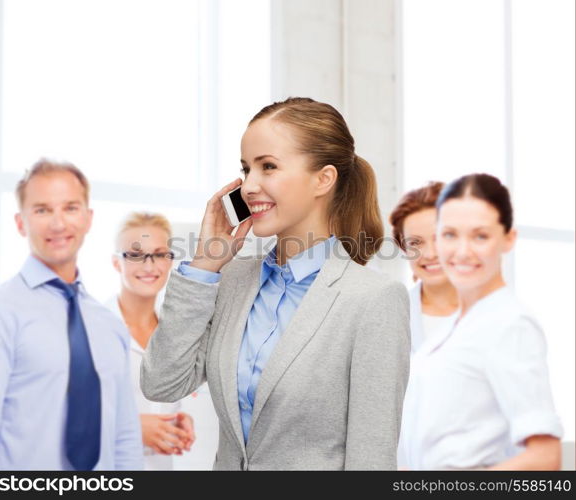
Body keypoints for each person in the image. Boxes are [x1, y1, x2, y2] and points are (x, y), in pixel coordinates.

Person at [141, 97, 411, 470]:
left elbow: (372, 459)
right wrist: (205, 264)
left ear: (323, 179)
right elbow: (161, 384)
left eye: (268, 166)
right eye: (246, 169)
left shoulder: (373, 299)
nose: (249, 186)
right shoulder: (232, 280)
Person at [0, 159, 143, 470]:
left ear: (88, 219)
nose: (58, 224)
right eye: (42, 210)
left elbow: (124, 438)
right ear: (21, 223)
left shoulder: (109, 325)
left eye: (70, 208)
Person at [400, 173, 563, 470]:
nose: (462, 251)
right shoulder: (454, 328)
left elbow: (545, 458)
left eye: (480, 236)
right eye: (449, 235)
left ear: (508, 238)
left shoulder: (510, 324)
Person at [107, 212, 196, 470]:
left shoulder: (176, 332)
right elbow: (59, 416)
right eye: (135, 255)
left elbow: (154, 407)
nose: (149, 266)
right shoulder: (89, 329)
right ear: (116, 263)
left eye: (159, 254)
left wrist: (172, 424)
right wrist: (131, 428)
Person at [389, 181, 458, 354]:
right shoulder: (389, 315)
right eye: (415, 242)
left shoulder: (499, 315)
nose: (430, 254)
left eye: (440, 238)